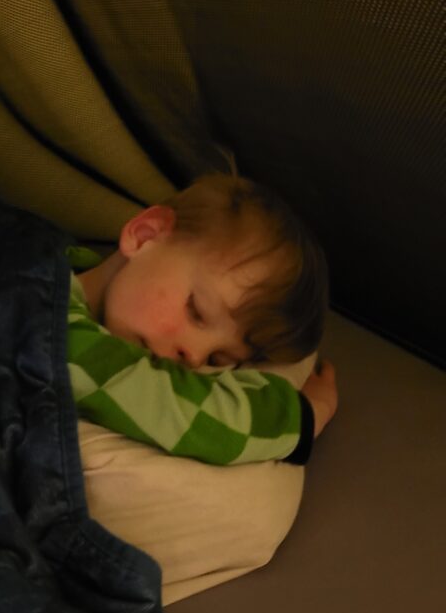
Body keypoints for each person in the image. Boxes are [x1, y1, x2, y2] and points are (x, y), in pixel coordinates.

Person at [66, 172, 338, 466]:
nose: (194, 357)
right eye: (196, 311)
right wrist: (306, 414)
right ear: (145, 236)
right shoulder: (51, 323)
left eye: (218, 358)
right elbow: (188, 413)